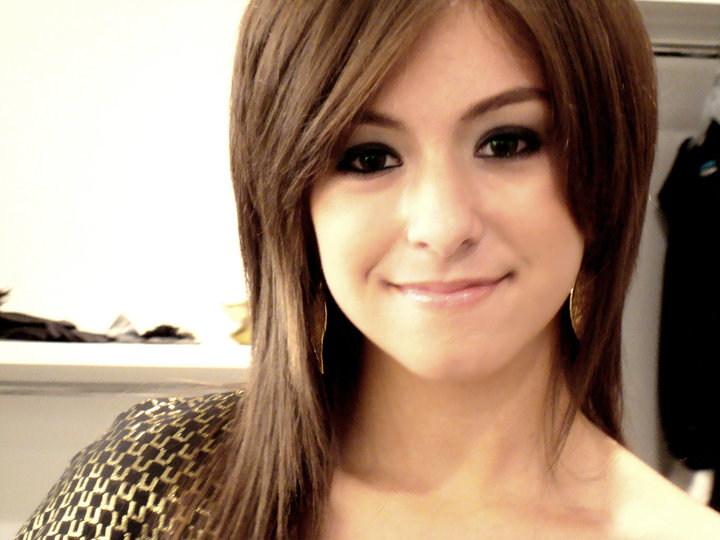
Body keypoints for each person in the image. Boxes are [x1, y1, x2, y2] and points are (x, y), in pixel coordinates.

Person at [16, 0, 720, 538]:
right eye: (368, 157)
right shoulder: (157, 483)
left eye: (507, 143)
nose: (441, 227)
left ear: (606, 171)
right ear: (291, 203)